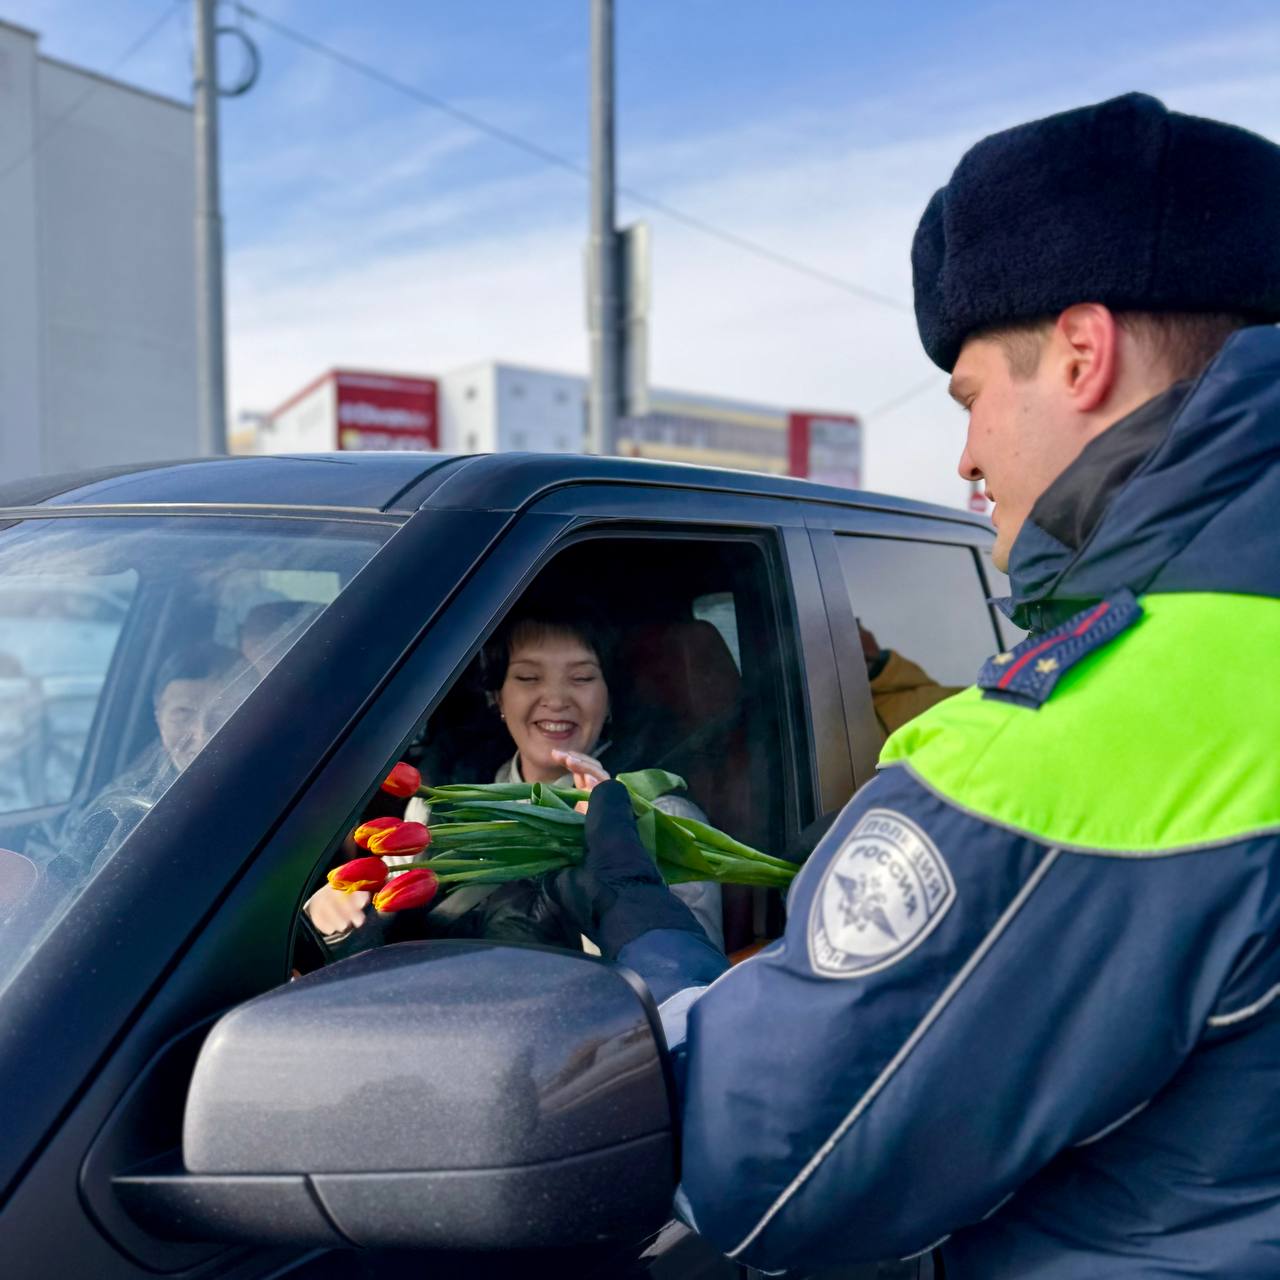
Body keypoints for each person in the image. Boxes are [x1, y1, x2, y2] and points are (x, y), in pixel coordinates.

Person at [549, 93, 1280, 1277]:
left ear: (1082, 353)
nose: (964, 456)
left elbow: (760, 1162)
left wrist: (635, 915)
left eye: (971, 394)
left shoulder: (1087, 740)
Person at [305, 607, 725, 951]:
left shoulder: (657, 818)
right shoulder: (440, 804)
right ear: (497, 697)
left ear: (610, 698)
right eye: (528, 677)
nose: (557, 699)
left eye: (581, 678)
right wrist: (333, 908)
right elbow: (386, 903)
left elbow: (685, 977)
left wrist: (601, 857)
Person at [55, 642, 246, 875]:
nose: (202, 735)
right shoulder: (124, 800)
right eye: (182, 715)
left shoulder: (276, 795)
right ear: (158, 717)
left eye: (223, 715)